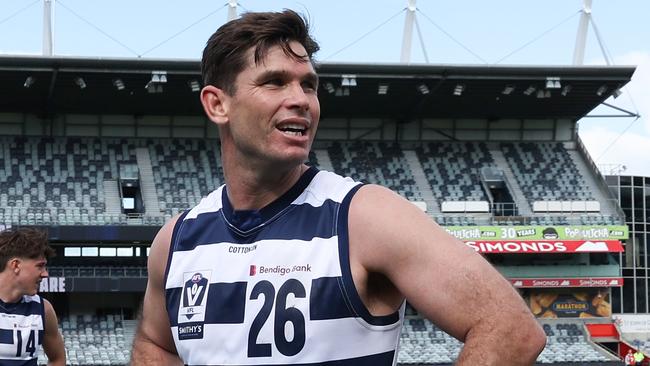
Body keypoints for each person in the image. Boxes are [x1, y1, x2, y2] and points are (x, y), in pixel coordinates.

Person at [130, 9, 546, 366]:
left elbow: (509, 327)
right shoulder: (177, 240)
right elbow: (155, 343)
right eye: (275, 82)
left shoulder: (363, 217)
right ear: (217, 104)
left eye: (308, 85)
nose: (301, 99)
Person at [0, 227, 66, 366]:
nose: (45, 274)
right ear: (16, 265)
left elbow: (58, 359)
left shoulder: (44, 309)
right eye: (40, 266)